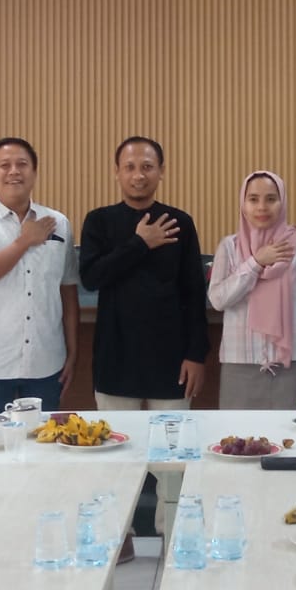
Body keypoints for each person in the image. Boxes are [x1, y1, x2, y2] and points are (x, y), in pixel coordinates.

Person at [81, 136, 209, 411]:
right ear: (116, 172)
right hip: (115, 360)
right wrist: (140, 243)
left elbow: (194, 293)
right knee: (117, 438)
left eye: (147, 167)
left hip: (171, 361)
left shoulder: (179, 222)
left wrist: (196, 355)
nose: (138, 175)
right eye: (130, 167)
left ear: (161, 171)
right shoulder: (99, 221)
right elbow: (91, 278)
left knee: (173, 439)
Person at [0, 137, 79, 419]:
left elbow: (67, 289)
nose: (14, 171)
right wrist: (25, 241)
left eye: (22, 164)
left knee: (42, 442)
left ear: (34, 172)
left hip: (46, 362)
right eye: (4, 165)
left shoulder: (58, 222)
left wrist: (73, 353)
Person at [208, 170, 296, 408]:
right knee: (236, 432)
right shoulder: (229, 247)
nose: (262, 207)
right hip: (239, 365)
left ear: (282, 202)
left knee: (289, 432)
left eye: (271, 199)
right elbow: (218, 300)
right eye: (253, 199)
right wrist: (256, 262)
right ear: (243, 204)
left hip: (291, 366)